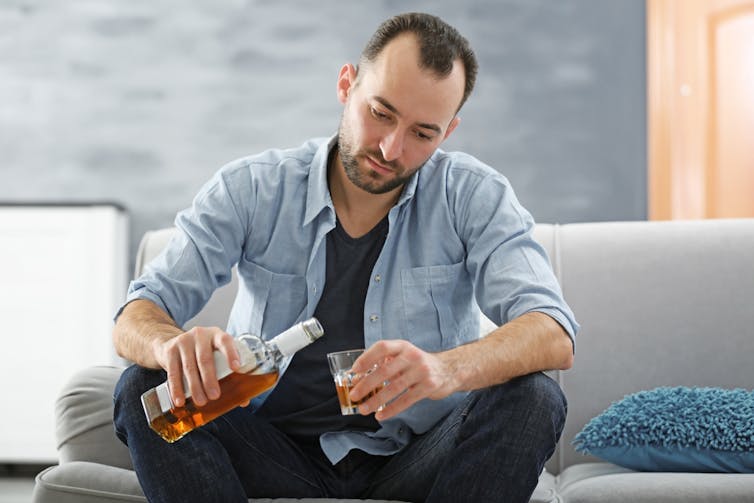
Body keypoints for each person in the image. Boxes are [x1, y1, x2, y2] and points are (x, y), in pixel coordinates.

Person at [112, 12, 578, 503]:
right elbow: (136, 315)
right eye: (381, 113)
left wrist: (446, 370)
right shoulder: (252, 189)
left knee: (534, 397)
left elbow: (552, 330)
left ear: (449, 131)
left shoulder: (473, 195)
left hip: (416, 455)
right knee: (142, 387)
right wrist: (169, 348)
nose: (391, 148)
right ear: (346, 84)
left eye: (423, 133)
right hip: (270, 451)